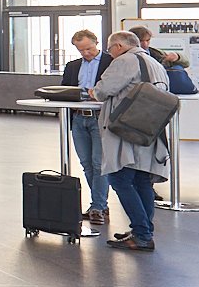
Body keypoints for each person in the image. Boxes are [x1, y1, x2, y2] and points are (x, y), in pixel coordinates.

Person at [93, 30, 171, 252]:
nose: (110, 54)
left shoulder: (125, 61)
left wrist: (95, 90)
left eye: (110, 50)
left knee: (120, 179)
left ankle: (142, 234)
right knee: (141, 181)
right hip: (148, 129)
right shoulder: (153, 62)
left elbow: (102, 91)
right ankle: (143, 231)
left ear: (118, 46)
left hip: (126, 131)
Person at [62, 30, 115, 228]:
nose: (86, 53)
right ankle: (100, 204)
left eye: (89, 48)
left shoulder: (112, 63)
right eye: (81, 50)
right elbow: (65, 90)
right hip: (78, 119)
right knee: (86, 163)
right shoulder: (72, 66)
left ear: (96, 43)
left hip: (101, 118)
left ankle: (97, 206)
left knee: (99, 163)